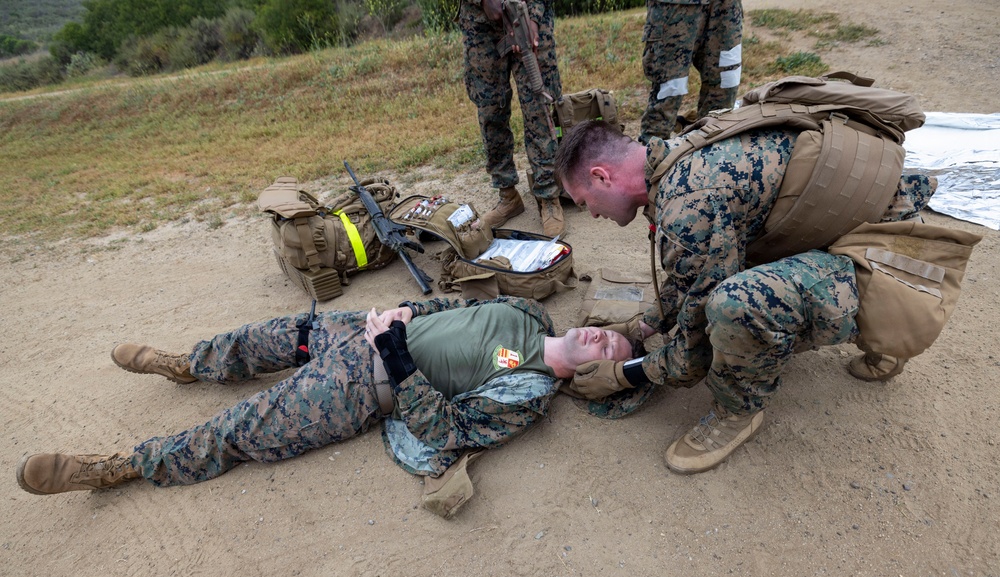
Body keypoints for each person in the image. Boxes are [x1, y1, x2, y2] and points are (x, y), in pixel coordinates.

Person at [16, 296, 633, 517]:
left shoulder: (525, 393)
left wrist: (396, 357)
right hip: (361, 331)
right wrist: (406, 315)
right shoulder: (530, 314)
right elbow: (455, 309)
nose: (603, 339)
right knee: (260, 338)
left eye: (609, 353)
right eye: (609, 333)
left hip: (361, 387)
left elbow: (444, 434)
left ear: (591, 380)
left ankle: (118, 466)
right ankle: (188, 364)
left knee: (240, 429)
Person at [553, 120, 937, 474]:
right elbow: (699, 268)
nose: (592, 216)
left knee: (736, 306)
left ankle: (740, 412)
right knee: (733, 270)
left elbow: (694, 354)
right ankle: (883, 326)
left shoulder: (687, 203)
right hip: (871, 217)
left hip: (891, 256)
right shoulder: (675, 157)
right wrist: (648, 323)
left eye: (584, 203)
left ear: (601, 176)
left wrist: (624, 373)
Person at [458, 0, 565, 236]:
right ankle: (508, 196)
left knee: (539, 105)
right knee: (490, 108)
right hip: (479, 21)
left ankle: (548, 196)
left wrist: (533, 17)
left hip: (527, 10)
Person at [639, 0, 743, 144]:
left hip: (726, 6)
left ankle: (712, 156)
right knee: (669, 90)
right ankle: (651, 158)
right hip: (675, 7)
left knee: (725, 85)